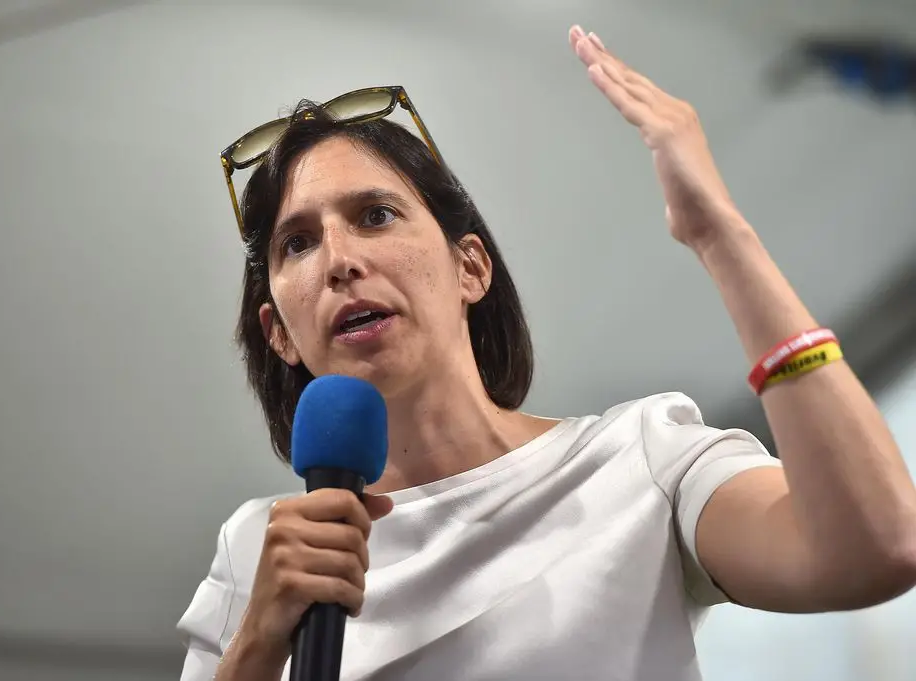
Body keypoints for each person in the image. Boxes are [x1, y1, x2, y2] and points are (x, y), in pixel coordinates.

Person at [177, 25, 916, 681]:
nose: (339, 259)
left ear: (470, 268)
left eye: (375, 214)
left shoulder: (641, 460)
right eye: (298, 243)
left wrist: (721, 235)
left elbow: (877, 547)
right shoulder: (256, 551)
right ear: (279, 331)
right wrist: (256, 644)